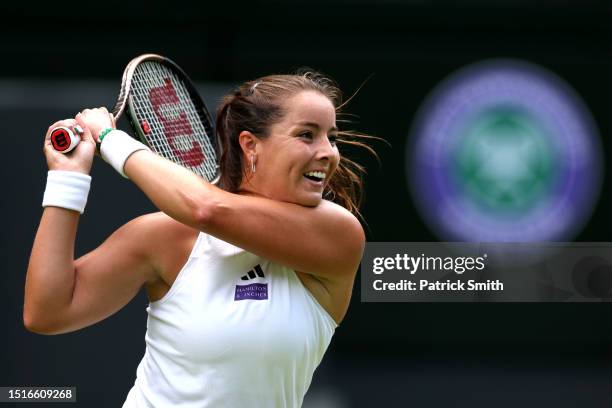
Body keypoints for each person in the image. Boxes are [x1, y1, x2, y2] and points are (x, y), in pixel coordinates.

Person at [25, 71, 371, 407]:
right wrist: (66, 180)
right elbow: (47, 311)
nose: (328, 152)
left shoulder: (337, 234)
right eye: (307, 135)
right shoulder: (163, 235)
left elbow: (207, 209)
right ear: (251, 145)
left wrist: (111, 141)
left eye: (332, 137)